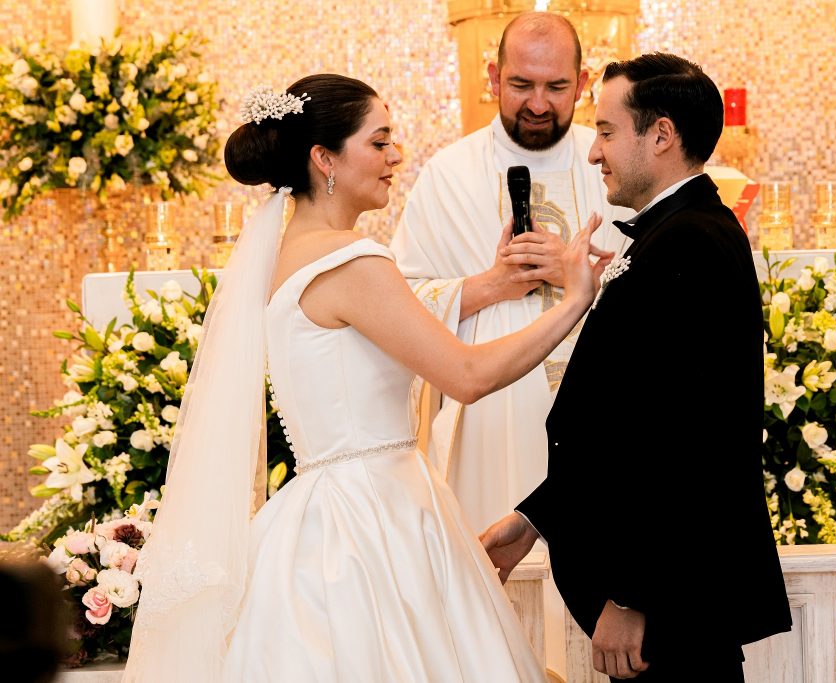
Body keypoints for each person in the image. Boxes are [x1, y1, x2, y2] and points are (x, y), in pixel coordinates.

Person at [122, 74, 611, 682]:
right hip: (379, 514)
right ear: (324, 158)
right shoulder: (353, 260)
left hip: (320, 508)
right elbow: (466, 374)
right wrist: (573, 302)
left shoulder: (287, 257)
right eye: (379, 142)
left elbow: (370, 332)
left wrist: (490, 284)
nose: (395, 156)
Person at [481, 53, 793, 682]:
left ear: (661, 135)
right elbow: (624, 421)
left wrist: (632, 594)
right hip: (668, 600)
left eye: (605, 131)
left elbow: (687, 437)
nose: (593, 153)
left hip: (669, 602)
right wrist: (536, 518)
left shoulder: (691, 241)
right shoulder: (672, 233)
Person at [389, 11, 631, 534]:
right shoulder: (447, 175)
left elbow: (659, 289)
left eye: (557, 86)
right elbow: (399, 303)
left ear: (583, 85)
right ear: (494, 78)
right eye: (521, 84)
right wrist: (490, 285)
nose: (539, 103)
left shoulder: (618, 164)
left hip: (605, 417)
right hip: (488, 425)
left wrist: (580, 279)